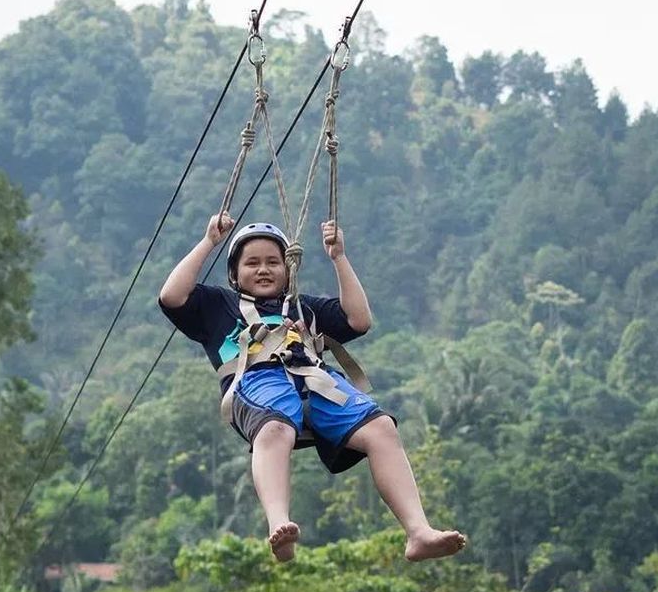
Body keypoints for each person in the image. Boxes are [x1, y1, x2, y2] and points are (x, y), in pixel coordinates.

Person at [158, 213, 467, 563]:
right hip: (258, 381)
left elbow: (358, 320)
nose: (263, 269)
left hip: (316, 380)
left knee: (381, 428)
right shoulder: (218, 306)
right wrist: (209, 242)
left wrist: (339, 258)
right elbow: (172, 296)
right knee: (274, 428)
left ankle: (418, 532)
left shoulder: (305, 307)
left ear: (289, 270)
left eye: (273, 262)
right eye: (252, 263)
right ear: (234, 274)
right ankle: (279, 524)